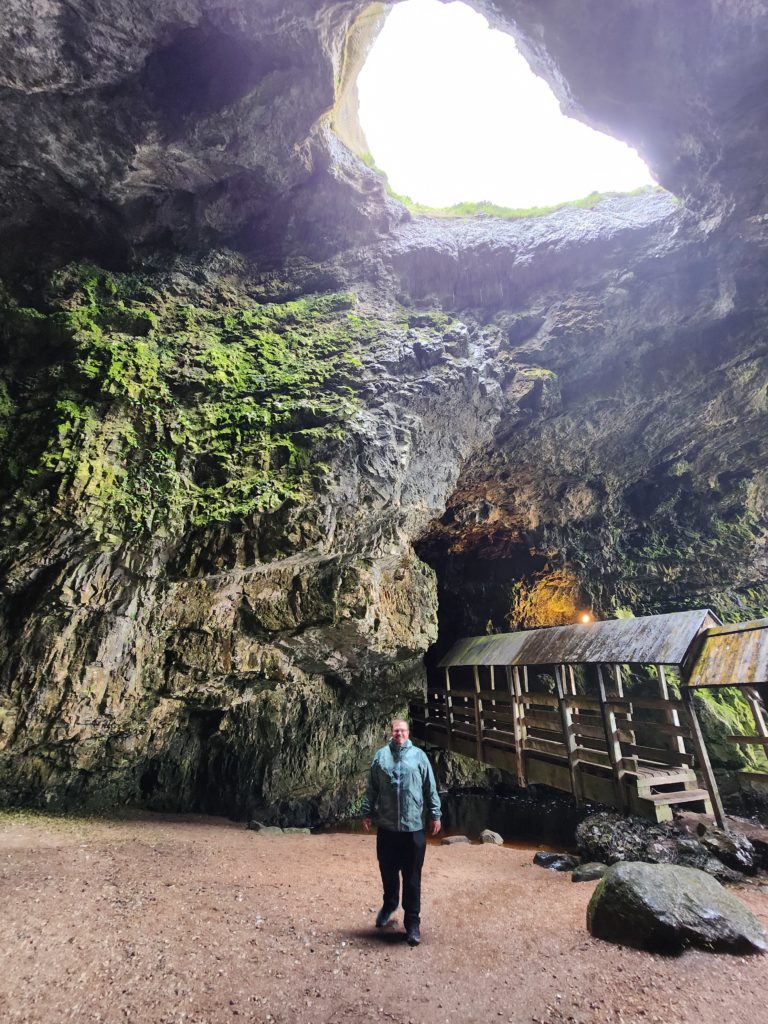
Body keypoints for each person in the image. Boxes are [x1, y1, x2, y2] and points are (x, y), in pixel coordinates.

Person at [361, 718, 442, 947]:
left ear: (408, 733)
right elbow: (372, 788)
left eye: (403, 730)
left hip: (412, 828)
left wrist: (435, 814)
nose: (399, 733)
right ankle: (389, 905)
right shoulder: (381, 757)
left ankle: (413, 923)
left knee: (412, 878)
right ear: (391, 732)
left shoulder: (419, 756)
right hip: (387, 828)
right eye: (396, 730)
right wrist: (367, 813)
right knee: (388, 873)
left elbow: (430, 787)